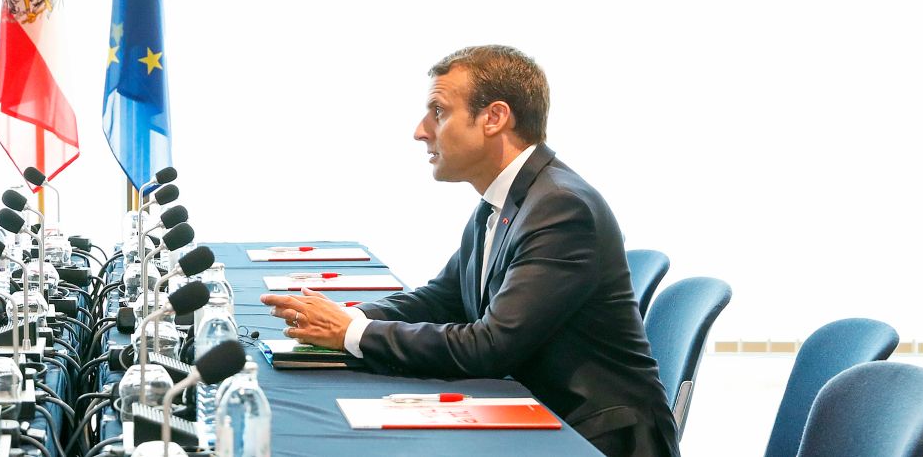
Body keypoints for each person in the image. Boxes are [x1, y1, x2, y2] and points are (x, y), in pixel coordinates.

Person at [261, 45, 679, 457]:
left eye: (439, 112)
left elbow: (489, 346)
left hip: (594, 438)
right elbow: (443, 299)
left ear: (494, 118)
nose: (421, 130)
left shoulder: (560, 208)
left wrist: (353, 334)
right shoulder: (506, 199)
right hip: (541, 416)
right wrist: (351, 317)